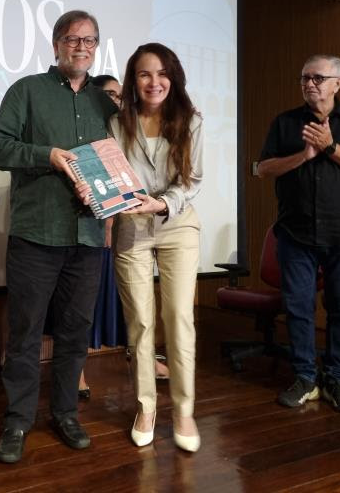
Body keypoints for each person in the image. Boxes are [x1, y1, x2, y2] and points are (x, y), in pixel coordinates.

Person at [0, 10, 116, 463]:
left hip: (88, 235)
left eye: (89, 40)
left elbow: (122, 160)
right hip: (37, 234)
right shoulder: (27, 91)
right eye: (72, 39)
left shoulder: (106, 104)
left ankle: (65, 413)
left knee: (75, 333)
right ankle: (18, 420)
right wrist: (48, 156)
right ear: (57, 44)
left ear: (96, 46)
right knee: (24, 334)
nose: (81, 47)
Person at [257, 54, 340, 414]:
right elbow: (263, 168)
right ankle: (304, 379)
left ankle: (337, 381)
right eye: (304, 78)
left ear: (338, 83)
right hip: (295, 234)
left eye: (318, 78)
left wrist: (331, 147)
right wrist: (304, 155)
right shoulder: (285, 123)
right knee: (298, 308)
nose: (309, 84)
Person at [107, 42, 203, 452]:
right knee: (141, 324)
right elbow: (112, 177)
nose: (154, 81)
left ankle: (183, 411)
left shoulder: (190, 121)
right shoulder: (116, 123)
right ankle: (145, 407)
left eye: (162, 73)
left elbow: (192, 179)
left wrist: (162, 203)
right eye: (145, 74)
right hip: (132, 227)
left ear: (173, 78)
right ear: (134, 79)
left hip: (177, 224)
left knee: (178, 316)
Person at [77, 75, 168, 400]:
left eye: (119, 95)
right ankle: (78, 371)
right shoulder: (89, 135)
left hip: (131, 231)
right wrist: (106, 226)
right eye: (110, 95)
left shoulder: (129, 131)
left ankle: (143, 359)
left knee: (135, 303)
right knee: (84, 306)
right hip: (94, 233)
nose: (116, 101)